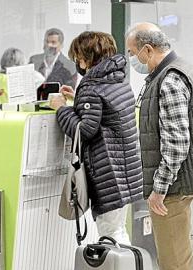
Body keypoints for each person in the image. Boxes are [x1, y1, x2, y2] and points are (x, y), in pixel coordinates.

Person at [125, 22, 193, 270]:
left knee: (173, 264)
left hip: (173, 188)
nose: (132, 59)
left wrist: (159, 189)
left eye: (132, 53)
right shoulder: (179, 70)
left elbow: (176, 143)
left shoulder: (170, 79)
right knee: (177, 257)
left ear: (148, 49)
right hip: (180, 183)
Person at [49, 32, 143, 244]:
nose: (78, 62)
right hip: (126, 172)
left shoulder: (92, 86)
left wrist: (62, 109)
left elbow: (84, 132)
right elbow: (106, 113)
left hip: (108, 174)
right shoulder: (118, 79)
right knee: (118, 230)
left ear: (88, 57)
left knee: (111, 235)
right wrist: (78, 99)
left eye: (79, 57)